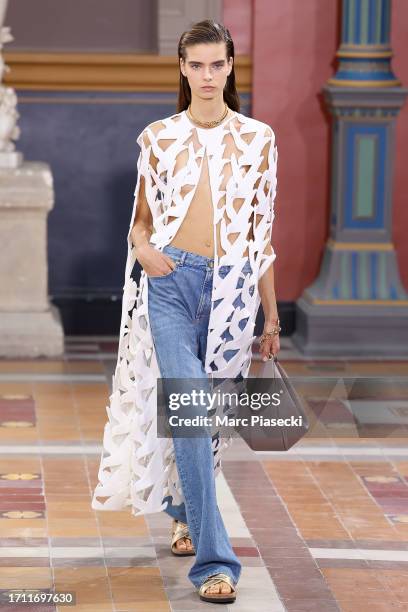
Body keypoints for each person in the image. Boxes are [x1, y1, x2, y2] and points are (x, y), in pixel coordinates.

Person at [92, 19, 280, 605]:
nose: (206, 76)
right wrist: (146, 252)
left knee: (207, 421)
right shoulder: (157, 138)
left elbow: (261, 238)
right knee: (193, 413)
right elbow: (141, 223)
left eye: (216, 65)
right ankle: (214, 563)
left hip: (233, 292)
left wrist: (270, 319)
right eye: (195, 65)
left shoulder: (259, 140)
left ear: (230, 67)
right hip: (171, 286)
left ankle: (181, 508)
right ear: (182, 67)